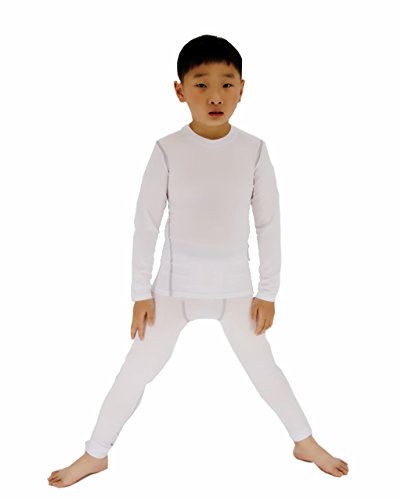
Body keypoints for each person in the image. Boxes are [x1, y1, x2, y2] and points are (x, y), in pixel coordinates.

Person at [48, 34, 349, 488]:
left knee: (264, 369)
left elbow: (269, 225)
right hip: (172, 291)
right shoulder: (167, 150)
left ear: (242, 89)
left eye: (227, 84)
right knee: (135, 371)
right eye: (202, 84)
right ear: (180, 90)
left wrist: (268, 292)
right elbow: (145, 224)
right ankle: (95, 453)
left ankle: (304, 441)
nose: (215, 96)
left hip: (236, 290)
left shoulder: (254, 150)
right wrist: (139, 293)